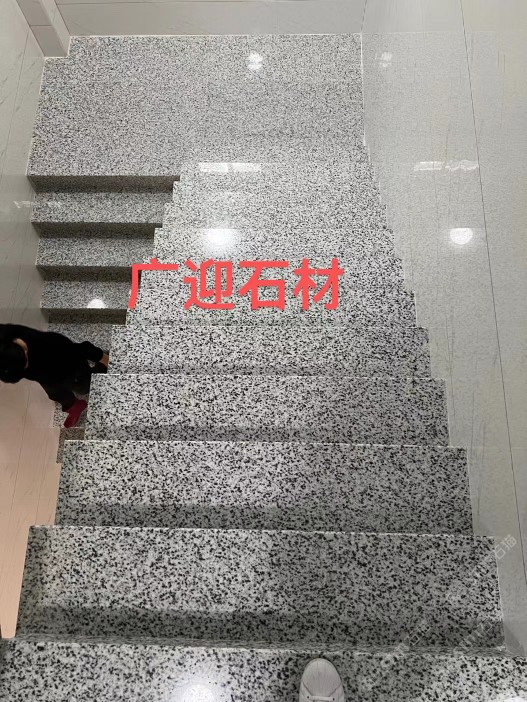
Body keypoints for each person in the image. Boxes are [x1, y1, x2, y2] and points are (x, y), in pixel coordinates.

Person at [0, 323, 109, 428]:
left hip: (64, 361)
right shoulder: (13, 364)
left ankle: (101, 366)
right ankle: (73, 406)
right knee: (53, 390)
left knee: (83, 387)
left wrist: (106, 359)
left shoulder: (55, 346)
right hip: (44, 373)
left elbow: (85, 348)